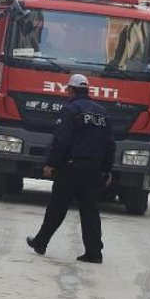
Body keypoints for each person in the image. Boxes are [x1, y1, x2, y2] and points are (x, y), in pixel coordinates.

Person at [26, 73, 116, 263]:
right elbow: (110, 145)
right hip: (94, 169)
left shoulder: (71, 110)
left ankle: (41, 242)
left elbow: (62, 141)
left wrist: (51, 164)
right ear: (87, 90)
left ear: (72, 90)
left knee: (57, 207)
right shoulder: (102, 113)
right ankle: (94, 252)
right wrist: (107, 170)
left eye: (68, 90)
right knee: (90, 210)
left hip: (71, 168)